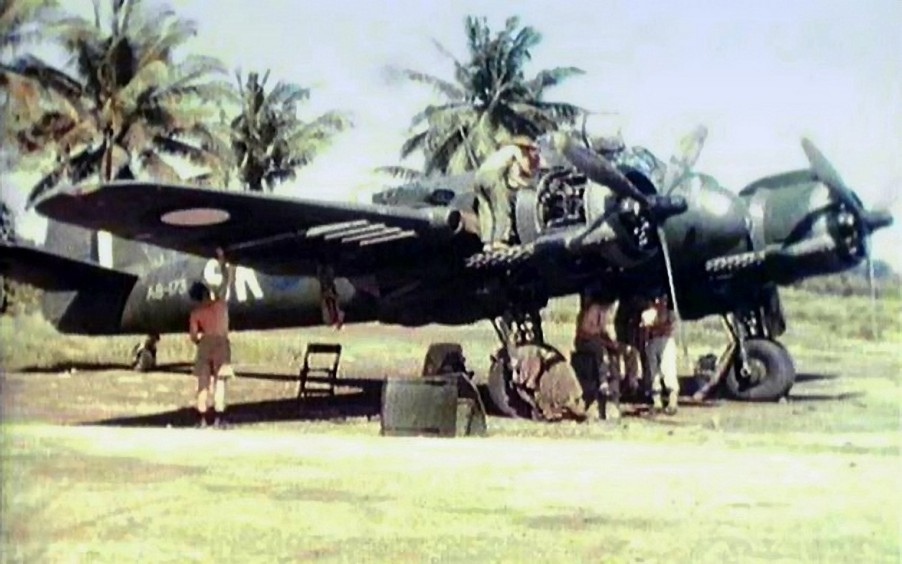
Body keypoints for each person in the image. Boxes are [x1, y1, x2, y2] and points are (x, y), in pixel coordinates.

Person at [188, 248, 236, 428]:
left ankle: (202, 419)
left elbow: (194, 336)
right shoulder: (220, 305)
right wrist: (223, 261)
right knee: (220, 383)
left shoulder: (195, 313)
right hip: (221, 345)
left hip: (205, 346)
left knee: (203, 384)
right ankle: (219, 419)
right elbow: (226, 282)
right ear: (208, 293)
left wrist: (201, 336)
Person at [474, 135, 540, 250]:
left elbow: (514, 178)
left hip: (478, 177)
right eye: (530, 149)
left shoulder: (502, 152)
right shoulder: (516, 150)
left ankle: (487, 243)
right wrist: (532, 184)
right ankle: (500, 240)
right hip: (492, 176)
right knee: (502, 207)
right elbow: (522, 171)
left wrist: (523, 184)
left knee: (487, 211)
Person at [640, 293, 679, 415]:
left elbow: (668, 328)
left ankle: (673, 401)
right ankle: (657, 401)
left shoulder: (670, 313)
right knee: (653, 372)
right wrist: (656, 329)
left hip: (666, 342)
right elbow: (647, 330)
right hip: (652, 342)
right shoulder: (647, 314)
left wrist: (655, 328)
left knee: (668, 369)